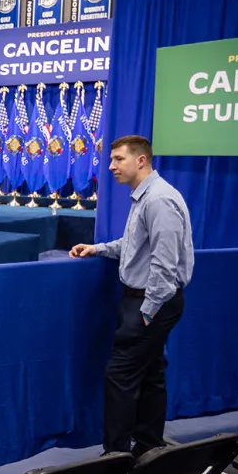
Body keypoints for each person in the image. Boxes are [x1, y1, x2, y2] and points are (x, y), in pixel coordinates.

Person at [69, 135, 194, 457]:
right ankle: (150, 447)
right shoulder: (148, 196)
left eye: (118, 159)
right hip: (145, 301)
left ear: (141, 160)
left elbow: (165, 267)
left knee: (120, 376)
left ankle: (115, 458)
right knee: (151, 374)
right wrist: (97, 249)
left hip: (150, 302)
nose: (110, 166)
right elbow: (136, 244)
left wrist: (147, 312)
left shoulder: (158, 200)